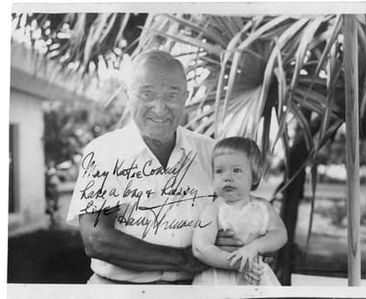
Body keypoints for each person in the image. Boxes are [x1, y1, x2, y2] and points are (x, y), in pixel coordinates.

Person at [66, 50, 245, 284]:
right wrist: (186, 258)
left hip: (196, 289)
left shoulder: (211, 153)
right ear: (127, 95)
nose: (160, 108)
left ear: (185, 97)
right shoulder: (102, 153)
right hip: (117, 293)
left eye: (172, 96)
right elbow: (97, 239)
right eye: (147, 94)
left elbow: (236, 216)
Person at [192, 137, 287, 285]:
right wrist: (238, 264)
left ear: (255, 175)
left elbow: (280, 234)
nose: (227, 177)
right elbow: (201, 248)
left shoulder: (263, 207)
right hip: (219, 280)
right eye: (219, 171)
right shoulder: (213, 210)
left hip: (256, 276)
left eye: (236, 170)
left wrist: (255, 247)